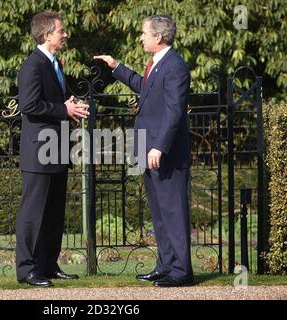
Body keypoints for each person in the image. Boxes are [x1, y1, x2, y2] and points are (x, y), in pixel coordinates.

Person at [94, 14, 193, 287]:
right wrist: (117, 67)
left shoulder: (174, 67)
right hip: (149, 150)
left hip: (166, 154)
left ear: (158, 37)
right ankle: (165, 266)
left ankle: (182, 272)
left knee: (173, 212)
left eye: (144, 33)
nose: (141, 38)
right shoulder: (158, 66)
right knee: (160, 213)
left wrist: (159, 146)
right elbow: (144, 88)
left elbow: (174, 112)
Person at [16, 11, 89, 287]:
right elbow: (29, 106)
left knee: (54, 212)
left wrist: (68, 103)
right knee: (33, 213)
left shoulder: (55, 63)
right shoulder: (32, 65)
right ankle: (27, 270)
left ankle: (47, 265)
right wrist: (64, 109)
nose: (65, 34)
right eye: (61, 30)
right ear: (47, 34)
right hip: (38, 153)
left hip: (57, 149)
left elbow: (52, 102)